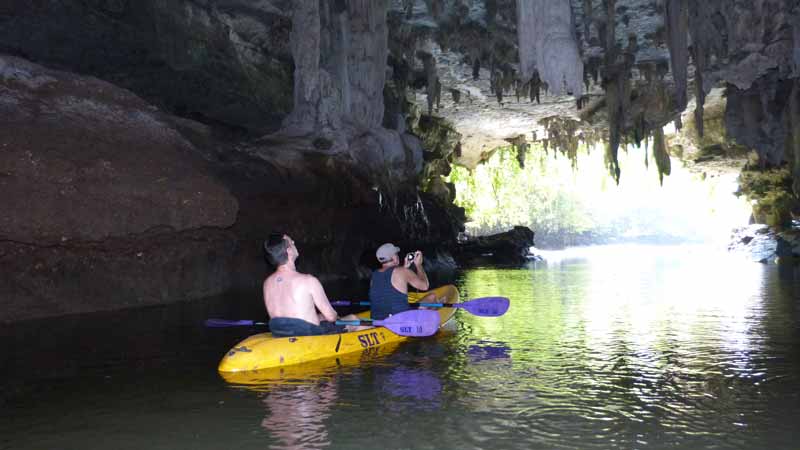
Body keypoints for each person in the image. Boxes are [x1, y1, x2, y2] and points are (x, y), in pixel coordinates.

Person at [263, 233, 366, 337]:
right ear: (289, 251)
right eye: (291, 242)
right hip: (309, 335)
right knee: (353, 319)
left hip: (280, 333)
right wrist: (335, 316)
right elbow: (331, 317)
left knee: (321, 316)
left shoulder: (267, 283)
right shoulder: (308, 280)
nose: (294, 242)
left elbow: (291, 318)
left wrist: (320, 317)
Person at [368, 243, 432, 320]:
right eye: (396, 254)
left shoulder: (374, 275)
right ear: (394, 258)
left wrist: (405, 268)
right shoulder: (402, 271)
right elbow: (425, 286)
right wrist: (418, 265)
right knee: (432, 297)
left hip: (378, 320)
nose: (398, 256)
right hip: (400, 321)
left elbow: (389, 289)